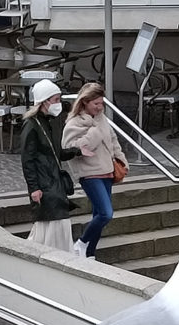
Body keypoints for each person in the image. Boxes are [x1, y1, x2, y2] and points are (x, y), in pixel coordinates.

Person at [62, 82, 127, 259]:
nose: (100, 107)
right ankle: (81, 243)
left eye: (101, 103)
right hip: (89, 174)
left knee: (98, 214)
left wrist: (121, 159)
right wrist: (95, 133)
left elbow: (112, 140)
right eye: (96, 104)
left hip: (106, 171)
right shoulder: (74, 123)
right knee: (106, 213)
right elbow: (70, 148)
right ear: (85, 102)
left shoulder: (102, 119)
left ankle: (89, 253)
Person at [19, 79, 86, 253]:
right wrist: (34, 187)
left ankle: (56, 253)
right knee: (52, 223)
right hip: (45, 183)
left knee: (57, 222)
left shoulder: (47, 123)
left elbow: (56, 152)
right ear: (44, 102)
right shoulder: (32, 125)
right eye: (55, 100)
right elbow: (27, 159)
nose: (58, 104)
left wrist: (76, 151)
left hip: (52, 181)